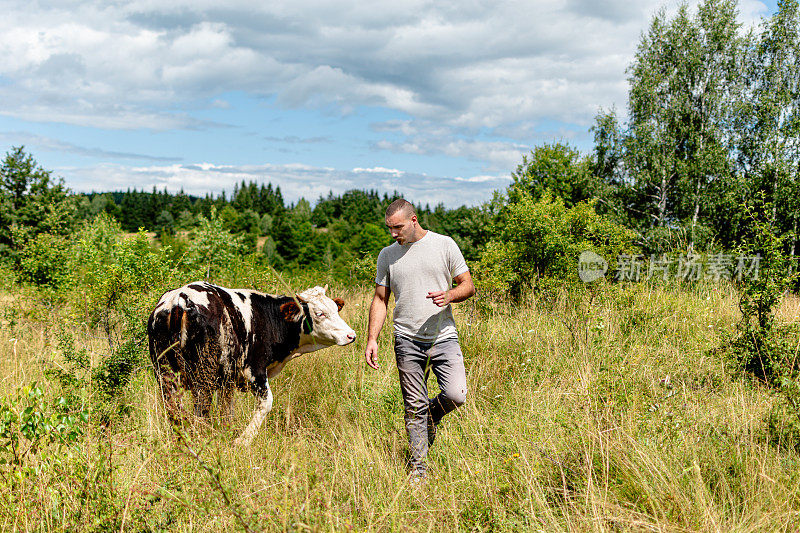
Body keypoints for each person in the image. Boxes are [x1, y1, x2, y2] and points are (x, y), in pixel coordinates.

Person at [364, 198, 475, 479]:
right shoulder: (387, 255)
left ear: (413, 220)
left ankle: (432, 415)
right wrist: (372, 339)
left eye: (397, 227)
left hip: (444, 336)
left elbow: (468, 285)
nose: (393, 234)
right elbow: (380, 299)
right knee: (413, 405)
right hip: (406, 339)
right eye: (389, 228)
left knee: (456, 394)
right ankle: (418, 470)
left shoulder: (444, 244)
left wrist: (449, 295)